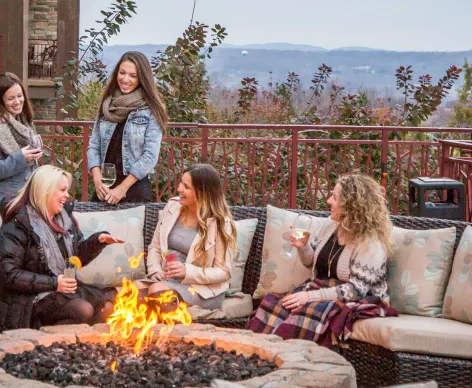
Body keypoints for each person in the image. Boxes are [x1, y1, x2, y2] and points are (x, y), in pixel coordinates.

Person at [245, 173, 396, 347]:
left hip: (359, 299)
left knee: (304, 313)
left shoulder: (370, 243)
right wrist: (303, 247)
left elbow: (356, 291)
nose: (329, 201)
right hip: (323, 289)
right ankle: (255, 351)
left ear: (352, 206)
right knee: (274, 305)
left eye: (335, 198)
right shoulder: (330, 225)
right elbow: (311, 263)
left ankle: (284, 357)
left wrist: (309, 297)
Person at [0, 165, 124, 330]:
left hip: (58, 290)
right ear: (45, 191)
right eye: (62, 190)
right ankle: (46, 347)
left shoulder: (63, 221)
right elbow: (10, 275)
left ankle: (86, 348)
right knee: (83, 310)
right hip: (25, 300)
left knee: (108, 306)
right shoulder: (16, 226)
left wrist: (98, 241)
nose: (67, 195)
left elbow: (76, 258)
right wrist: (54, 283)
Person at [143, 163, 237, 311]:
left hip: (200, 288)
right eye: (181, 182)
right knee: (132, 290)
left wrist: (187, 271)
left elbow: (223, 272)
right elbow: (155, 246)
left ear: (202, 193)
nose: (179, 189)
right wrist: (155, 270)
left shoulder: (220, 223)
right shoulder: (172, 206)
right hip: (166, 280)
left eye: (186, 187)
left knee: (156, 291)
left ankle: (172, 333)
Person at [87, 51, 168, 204]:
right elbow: (93, 146)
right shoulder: (107, 105)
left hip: (134, 190)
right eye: (122, 73)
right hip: (105, 188)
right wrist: (97, 181)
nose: (125, 79)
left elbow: (150, 156)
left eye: (133, 75)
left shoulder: (151, 110)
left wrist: (122, 188)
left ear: (142, 79)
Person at [0, 72, 43, 206]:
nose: (18, 102)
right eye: (11, 98)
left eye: (20, 96)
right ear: (0, 100)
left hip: (21, 201)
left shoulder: (23, 121)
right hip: (0, 204)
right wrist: (20, 158)